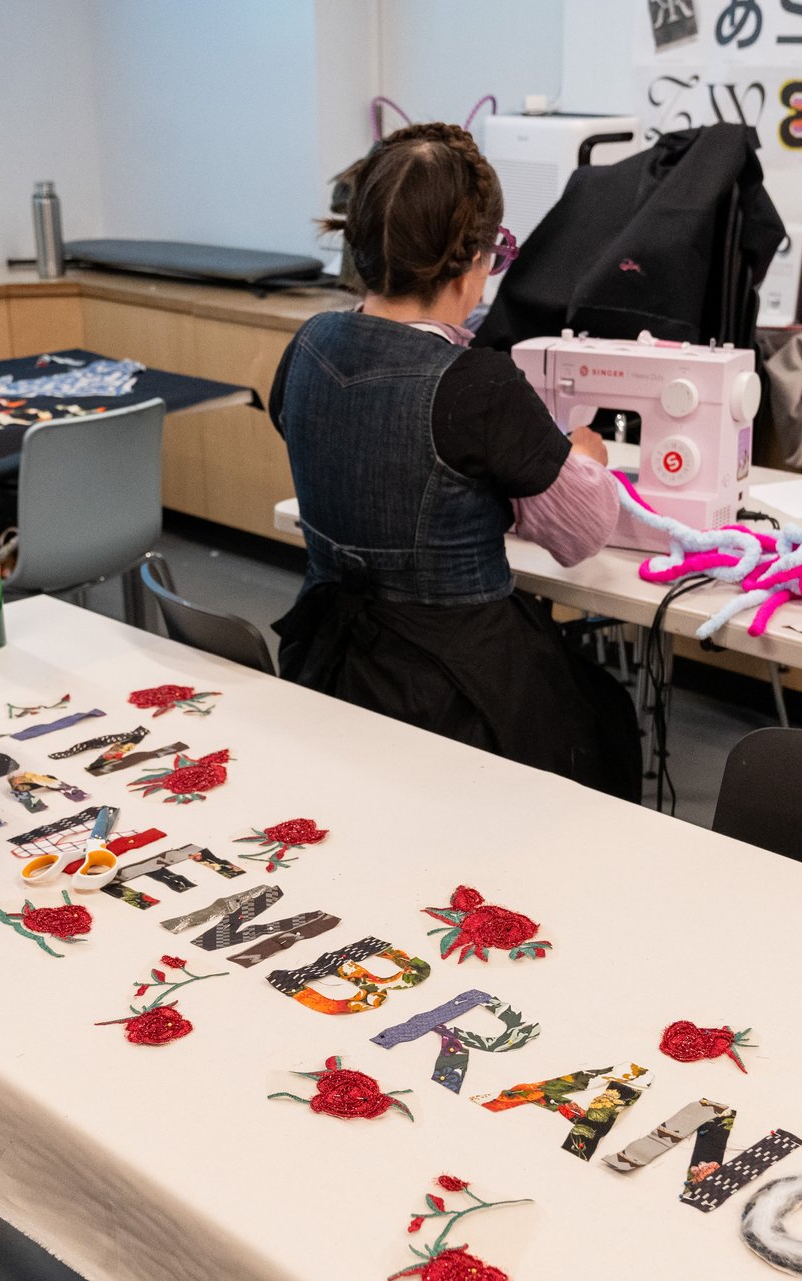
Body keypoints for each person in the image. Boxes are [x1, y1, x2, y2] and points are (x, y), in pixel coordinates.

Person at [269, 122, 643, 799]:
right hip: (453, 695)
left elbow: (333, 441)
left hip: (325, 664)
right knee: (609, 719)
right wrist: (583, 458)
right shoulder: (476, 385)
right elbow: (582, 535)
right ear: (474, 262)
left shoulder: (310, 344)